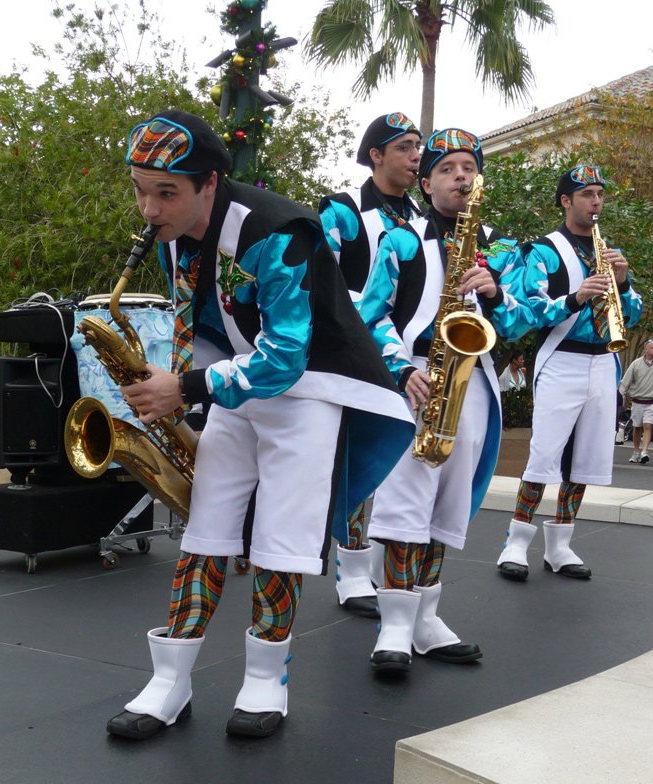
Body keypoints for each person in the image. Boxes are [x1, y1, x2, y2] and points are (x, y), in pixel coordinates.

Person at [105, 109, 414, 740]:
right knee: (205, 529)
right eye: (140, 190)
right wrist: (184, 394)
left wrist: (186, 389)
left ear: (209, 184)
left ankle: (267, 681)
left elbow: (285, 357)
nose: (149, 210)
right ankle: (169, 682)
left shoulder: (277, 230)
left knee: (281, 540)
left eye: (166, 192)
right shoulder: (173, 235)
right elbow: (202, 324)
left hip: (309, 392)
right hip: (236, 387)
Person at [357, 127, 535, 673]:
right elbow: (371, 314)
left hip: (472, 380)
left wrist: (496, 293)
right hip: (416, 377)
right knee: (405, 504)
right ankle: (394, 626)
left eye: (469, 167)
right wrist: (399, 368)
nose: (461, 176)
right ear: (427, 183)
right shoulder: (402, 240)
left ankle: (426, 619)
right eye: (447, 168)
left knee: (448, 505)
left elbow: (521, 321)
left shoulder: (498, 249)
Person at [496, 164, 643, 582]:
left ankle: (560, 545)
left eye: (600, 194)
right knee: (544, 453)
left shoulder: (608, 251)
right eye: (587, 195)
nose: (596, 202)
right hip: (561, 356)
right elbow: (529, 309)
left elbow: (633, 313)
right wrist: (576, 297)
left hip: (604, 361)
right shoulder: (543, 250)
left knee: (587, 457)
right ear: (566, 201)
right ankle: (515, 543)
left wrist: (623, 282)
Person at [319, 112, 423, 617]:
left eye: (418, 147)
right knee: (360, 459)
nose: (416, 156)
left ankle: (389, 569)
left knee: (404, 467)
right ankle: (353, 571)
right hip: (357, 353)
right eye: (404, 147)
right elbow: (324, 280)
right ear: (375, 155)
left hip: (414, 354)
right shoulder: (341, 210)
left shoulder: (424, 220)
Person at [618, 339, 653, 464]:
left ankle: (644, 451)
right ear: (646, 349)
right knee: (637, 427)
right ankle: (636, 451)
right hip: (637, 401)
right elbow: (626, 381)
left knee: (648, 425)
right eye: (652, 347)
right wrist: (621, 395)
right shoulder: (636, 364)